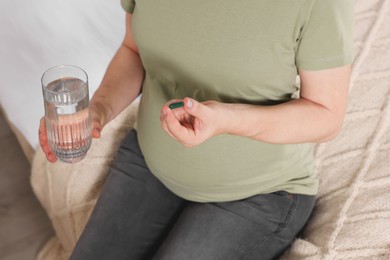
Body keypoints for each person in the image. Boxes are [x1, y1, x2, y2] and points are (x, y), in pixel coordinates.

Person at [38, 0, 354, 259]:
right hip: (151, 161)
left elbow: (326, 115)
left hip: (260, 191)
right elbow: (133, 51)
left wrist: (229, 119)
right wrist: (98, 110)